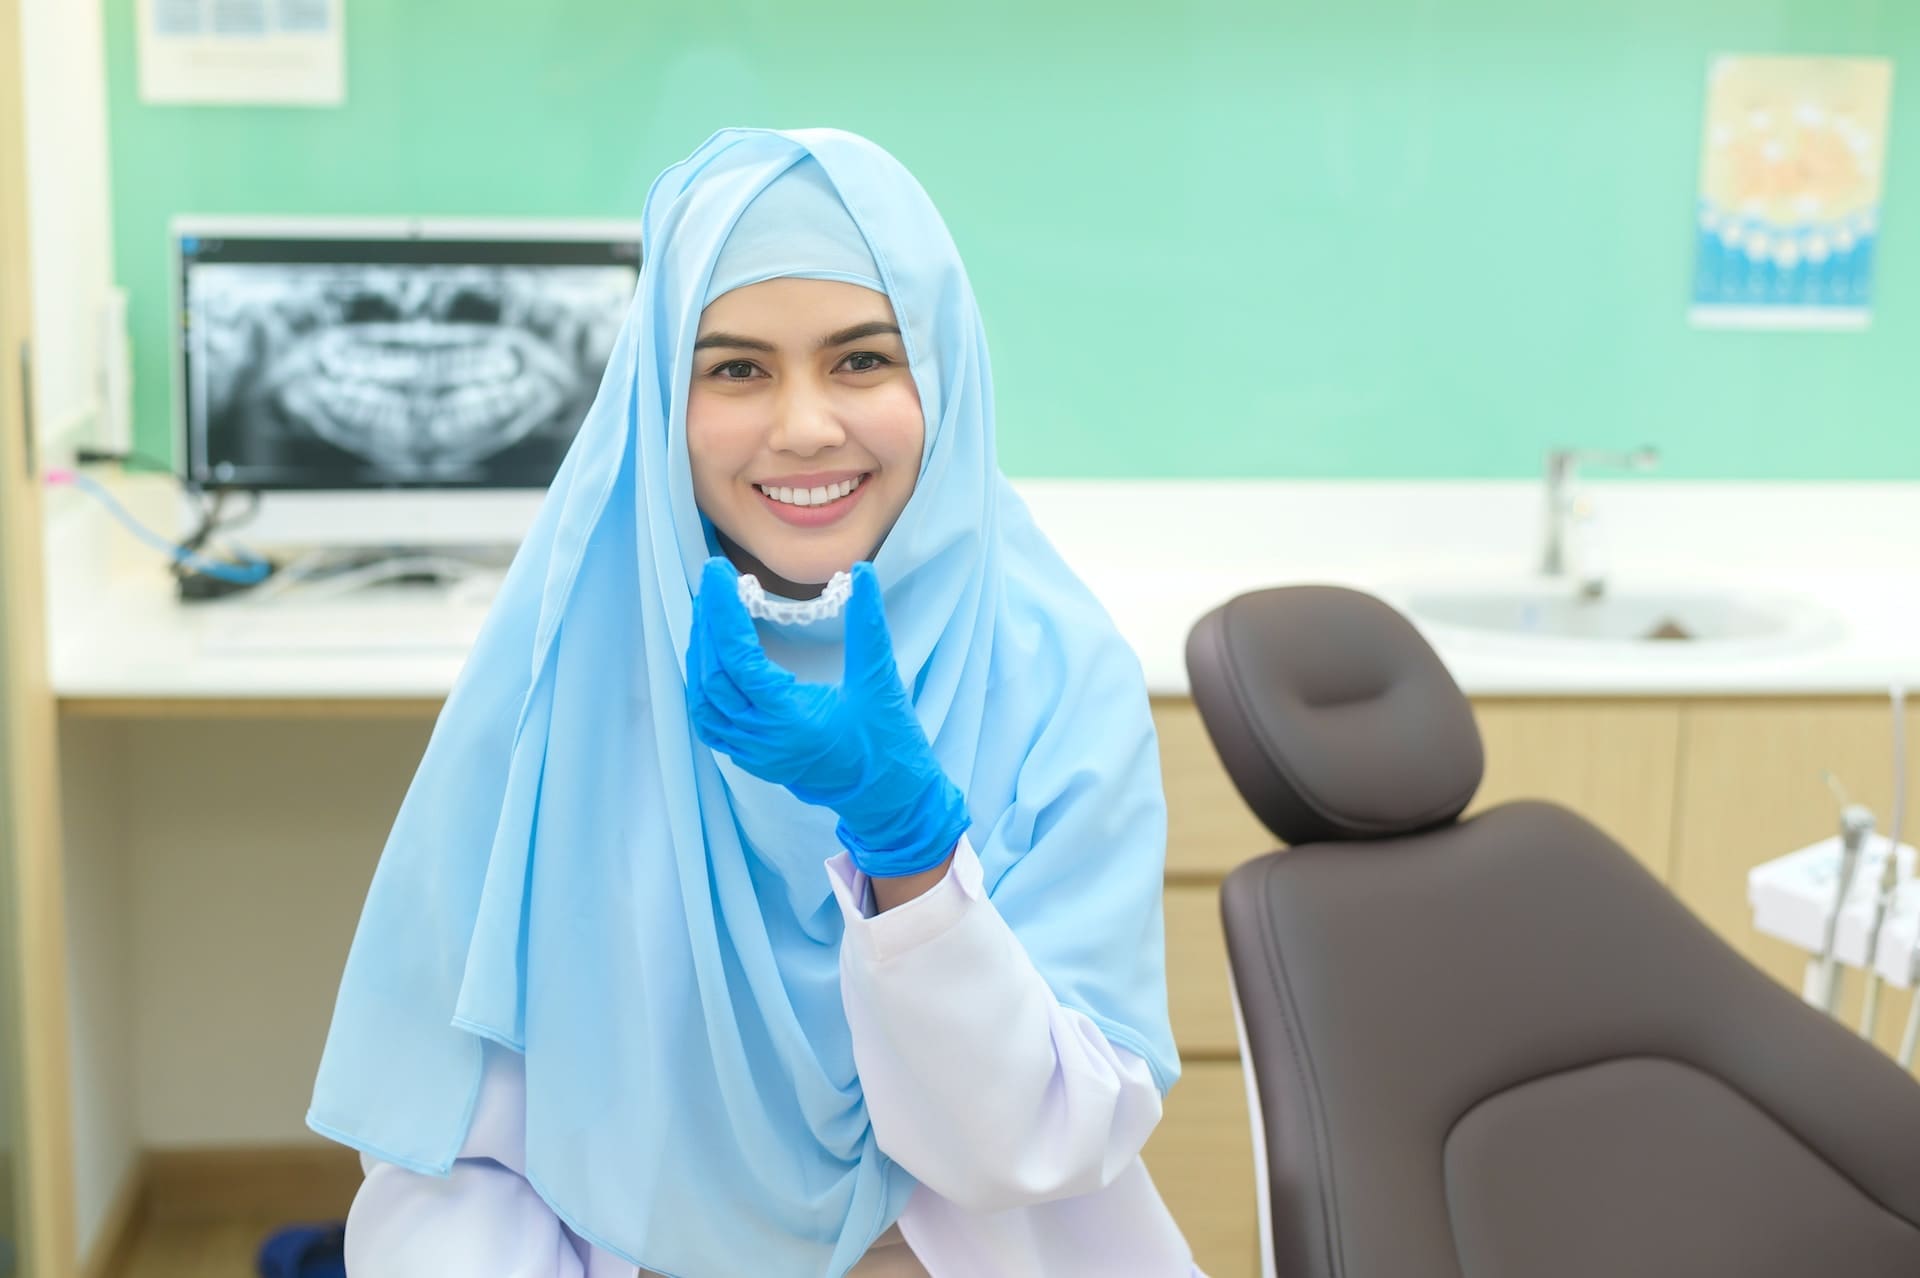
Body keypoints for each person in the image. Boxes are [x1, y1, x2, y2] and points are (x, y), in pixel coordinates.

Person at [308, 127, 1197, 1278]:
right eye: (735, 370)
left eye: (863, 361)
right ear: (657, 398)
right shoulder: (561, 679)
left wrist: (914, 856)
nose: (805, 426)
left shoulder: (1057, 677)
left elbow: (1045, 1142)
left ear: (943, 373)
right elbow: (453, 1159)